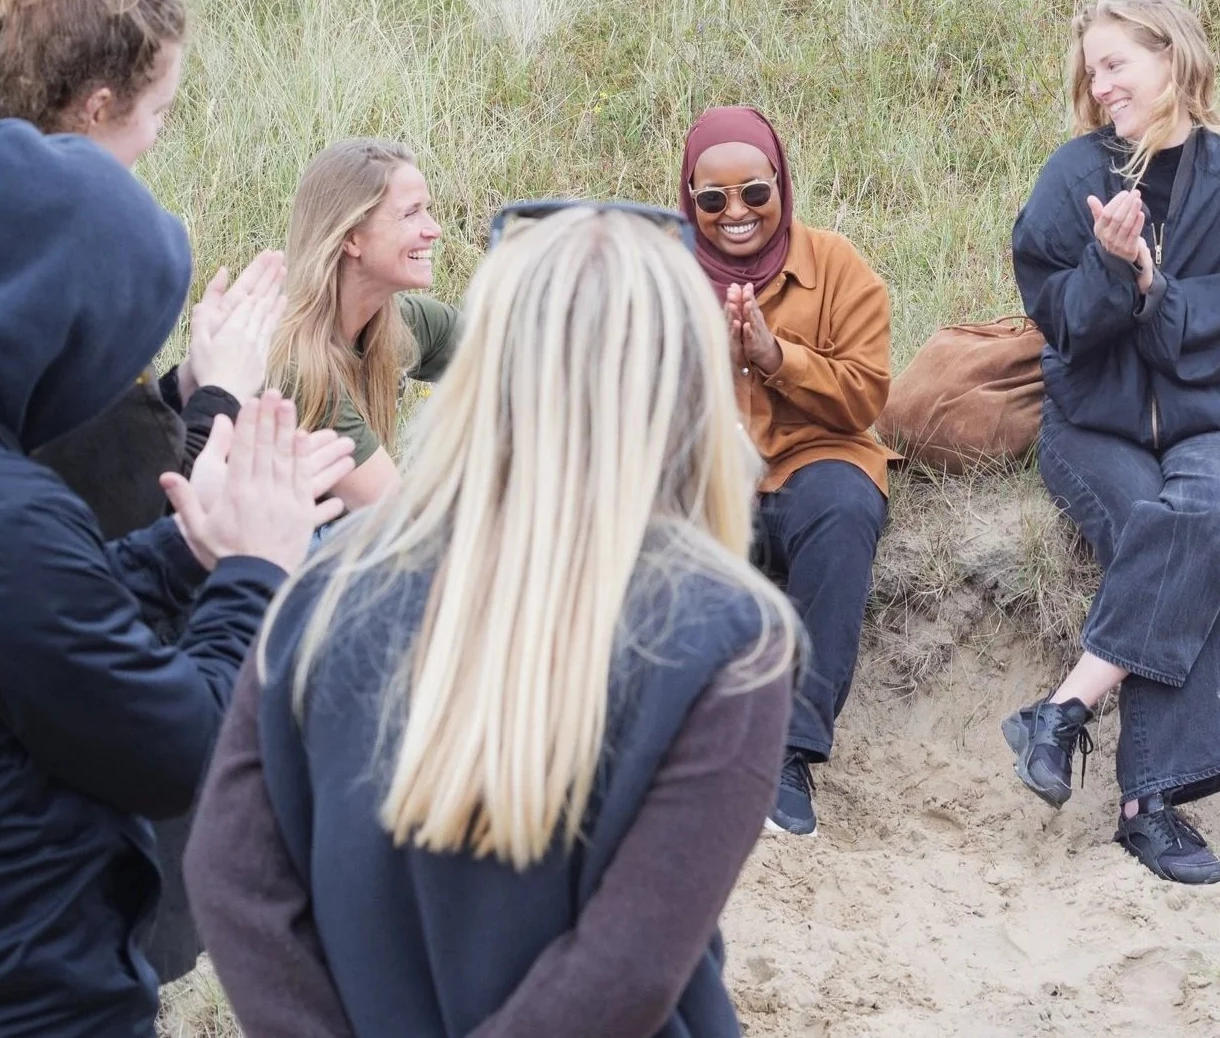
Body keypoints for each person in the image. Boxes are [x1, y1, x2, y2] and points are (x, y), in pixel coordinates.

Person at [186, 206, 798, 1038]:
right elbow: (623, 972)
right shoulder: (731, 638)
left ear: (481, 369)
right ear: (685, 377)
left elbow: (233, 882)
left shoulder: (324, 581)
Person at [0, 0, 290, 980]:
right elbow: (121, 664)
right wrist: (219, 412)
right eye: (158, 113)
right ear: (96, 107)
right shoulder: (45, 307)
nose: (156, 137)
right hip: (26, 945)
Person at [0, 118, 352, 1036]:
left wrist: (183, 548)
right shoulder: (9, 514)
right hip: (14, 995)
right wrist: (253, 569)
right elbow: (174, 749)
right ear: (60, 324)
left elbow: (7, 623)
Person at [1005, 0, 1220, 884]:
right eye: (1091, 69)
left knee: (1213, 508)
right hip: (1092, 418)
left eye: (1116, 64)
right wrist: (1109, 268)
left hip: (1205, 410)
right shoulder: (1073, 179)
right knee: (1159, 523)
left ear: (1171, 58)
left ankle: (1061, 712)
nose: (1099, 85)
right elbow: (1058, 322)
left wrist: (1153, 283)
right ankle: (1150, 807)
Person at [679, 105, 893, 837]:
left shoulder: (836, 264)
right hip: (707, 472)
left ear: (781, 185)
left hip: (813, 459)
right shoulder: (667, 274)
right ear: (689, 198)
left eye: (754, 194)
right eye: (712, 200)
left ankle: (790, 753)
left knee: (844, 510)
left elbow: (866, 393)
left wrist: (776, 360)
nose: (734, 213)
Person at [270, 138, 460, 513]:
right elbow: (396, 520)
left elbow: (518, 353)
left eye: (429, 211)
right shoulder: (298, 367)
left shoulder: (400, 321)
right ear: (352, 238)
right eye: (411, 214)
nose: (434, 229)